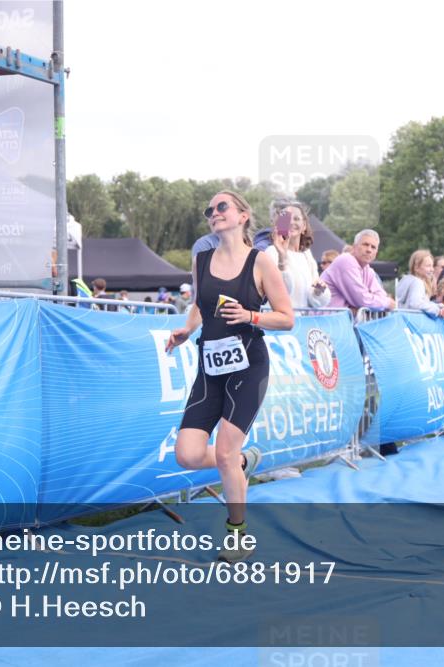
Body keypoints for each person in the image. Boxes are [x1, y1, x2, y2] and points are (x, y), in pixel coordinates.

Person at [166, 190, 294, 563]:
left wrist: (251, 317)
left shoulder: (261, 263)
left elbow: (286, 318)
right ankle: (241, 462)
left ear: (242, 215)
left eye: (222, 206)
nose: (214, 213)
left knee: (223, 451)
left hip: (248, 366)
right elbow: (200, 306)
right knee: (187, 455)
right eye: (209, 210)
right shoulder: (201, 260)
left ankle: (238, 534)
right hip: (211, 367)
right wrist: (186, 331)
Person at [264, 199, 332, 308]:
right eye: (286, 219)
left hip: (302, 322)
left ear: (304, 226)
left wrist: (318, 291)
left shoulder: (307, 256)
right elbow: (279, 293)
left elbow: (314, 300)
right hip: (279, 321)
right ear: (280, 225)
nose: (291, 222)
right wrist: (282, 258)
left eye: (296, 219)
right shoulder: (271, 252)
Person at [321, 229, 396, 314]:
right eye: (365, 244)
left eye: (373, 247)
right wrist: (387, 303)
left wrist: (371, 302)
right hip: (326, 322)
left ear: (376, 253)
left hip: (338, 321)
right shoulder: (346, 260)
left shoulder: (368, 269)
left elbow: (381, 295)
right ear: (354, 247)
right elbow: (362, 299)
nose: (369, 250)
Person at [396, 249, 444, 336]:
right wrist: (438, 310)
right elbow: (415, 304)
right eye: (428, 266)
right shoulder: (417, 282)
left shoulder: (406, 280)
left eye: (432, 266)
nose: (431, 269)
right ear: (416, 267)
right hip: (409, 327)